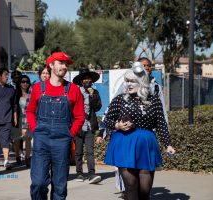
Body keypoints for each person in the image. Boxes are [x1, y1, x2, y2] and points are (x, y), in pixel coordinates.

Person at [97, 62, 175, 200]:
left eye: (132, 81)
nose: (128, 84)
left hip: (146, 145)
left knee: (145, 190)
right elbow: (106, 120)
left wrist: (168, 144)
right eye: (126, 81)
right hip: (124, 144)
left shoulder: (154, 100)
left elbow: (161, 123)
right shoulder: (119, 100)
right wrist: (118, 125)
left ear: (142, 81)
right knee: (131, 186)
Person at [26, 52, 85, 200]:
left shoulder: (73, 90)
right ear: (51, 65)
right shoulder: (39, 88)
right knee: (38, 183)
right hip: (42, 140)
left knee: (60, 186)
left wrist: (69, 135)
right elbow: (30, 111)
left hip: (62, 141)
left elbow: (79, 117)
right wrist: (35, 130)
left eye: (66, 64)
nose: (64, 67)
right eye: (61, 63)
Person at [72, 68, 102, 184]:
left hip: (89, 126)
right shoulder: (75, 91)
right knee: (78, 151)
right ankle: (79, 173)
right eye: (85, 78)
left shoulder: (95, 92)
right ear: (81, 81)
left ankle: (91, 174)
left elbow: (98, 107)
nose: (87, 80)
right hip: (78, 125)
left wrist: (92, 95)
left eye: (89, 78)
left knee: (90, 151)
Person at [138, 57, 168, 121]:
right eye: (144, 66)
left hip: (151, 126)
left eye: (149, 65)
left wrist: (166, 127)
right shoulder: (129, 84)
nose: (147, 68)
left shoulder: (156, 87)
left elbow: (162, 109)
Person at [12, 75, 33, 167]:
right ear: (19, 83)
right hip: (17, 120)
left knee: (28, 139)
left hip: (28, 119)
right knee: (17, 140)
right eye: (23, 81)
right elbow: (13, 107)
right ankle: (17, 157)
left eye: (27, 82)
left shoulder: (31, 94)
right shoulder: (16, 94)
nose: (25, 83)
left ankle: (28, 158)